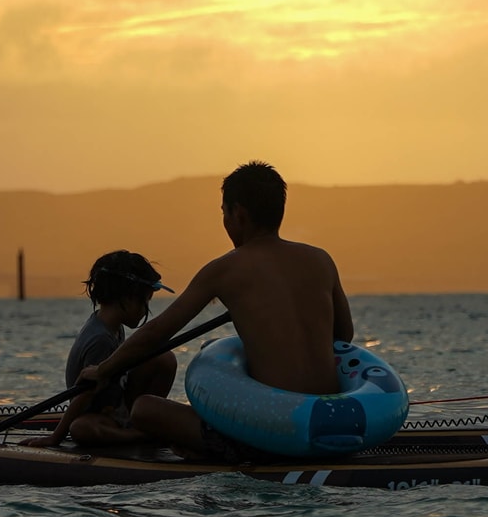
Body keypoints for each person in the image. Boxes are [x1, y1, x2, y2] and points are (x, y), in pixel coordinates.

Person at [78, 161, 353, 461]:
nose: (224, 221)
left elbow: (156, 332)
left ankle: (209, 451)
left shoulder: (225, 269)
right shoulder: (321, 260)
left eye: (224, 212)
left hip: (269, 436)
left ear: (239, 214)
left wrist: (102, 370)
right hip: (327, 424)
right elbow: (344, 335)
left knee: (145, 408)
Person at [28, 251, 179, 448]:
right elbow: (85, 393)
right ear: (127, 297)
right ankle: (141, 435)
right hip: (96, 416)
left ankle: (139, 424)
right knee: (81, 428)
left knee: (164, 358)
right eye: (145, 301)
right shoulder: (100, 339)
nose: (145, 309)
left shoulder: (114, 327)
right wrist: (55, 438)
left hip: (118, 405)